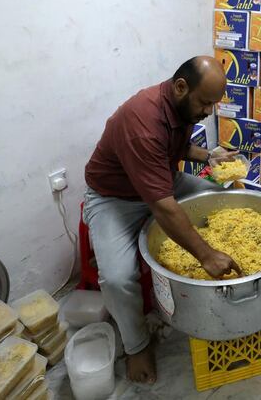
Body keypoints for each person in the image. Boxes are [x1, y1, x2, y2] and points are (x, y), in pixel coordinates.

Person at [83, 56, 241, 383]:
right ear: (181, 87)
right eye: (205, 103)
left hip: (161, 182)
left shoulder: (180, 105)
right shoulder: (142, 121)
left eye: (214, 104)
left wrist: (209, 156)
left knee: (221, 201)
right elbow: (165, 209)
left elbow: (173, 150)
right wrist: (207, 256)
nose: (209, 112)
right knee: (116, 278)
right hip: (115, 199)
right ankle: (136, 346)